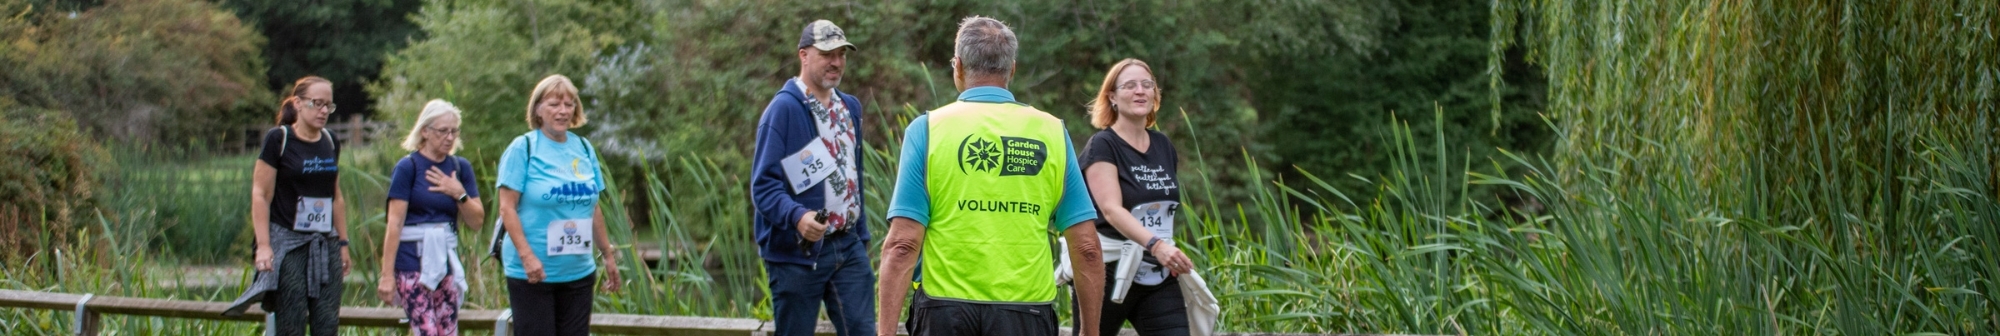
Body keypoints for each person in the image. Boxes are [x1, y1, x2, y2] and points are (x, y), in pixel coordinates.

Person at [876, 16, 1106, 336]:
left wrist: (885, 332)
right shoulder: (1051, 131)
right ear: (1012, 69)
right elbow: (1087, 249)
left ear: (957, 67)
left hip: (945, 311)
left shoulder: (927, 130)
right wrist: (1090, 332)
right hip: (1026, 311)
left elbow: (902, 244)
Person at [750, 19, 875, 336]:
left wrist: (861, 237)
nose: (836, 62)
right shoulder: (783, 110)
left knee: (862, 330)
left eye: (842, 54)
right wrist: (797, 216)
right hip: (796, 252)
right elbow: (763, 187)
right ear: (803, 55)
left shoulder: (850, 107)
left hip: (847, 247)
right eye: (827, 54)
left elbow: (853, 177)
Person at [496, 74, 623, 335]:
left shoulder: (584, 148)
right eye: (554, 104)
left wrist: (608, 255)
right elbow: (506, 208)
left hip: (578, 271)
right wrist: (528, 257)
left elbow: (593, 206)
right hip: (533, 273)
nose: (563, 111)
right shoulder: (524, 148)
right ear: (538, 109)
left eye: (569, 104)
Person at [225, 76, 350, 336]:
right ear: (298, 103)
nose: (324, 111)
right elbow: (261, 194)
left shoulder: (330, 141)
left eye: (329, 105)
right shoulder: (278, 139)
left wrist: (343, 244)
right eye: (317, 103)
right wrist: (263, 246)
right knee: (291, 325)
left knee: (327, 325)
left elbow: (336, 196)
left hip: (325, 243)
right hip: (289, 244)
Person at [1079, 59, 1196, 336]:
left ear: (1155, 94)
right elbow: (1111, 210)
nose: (1140, 91)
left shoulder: (1163, 145)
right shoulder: (1103, 145)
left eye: (1147, 85)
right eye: (1130, 86)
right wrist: (1156, 245)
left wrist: (1165, 250)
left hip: (1157, 273)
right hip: (1106, 272)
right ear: (1112, 97)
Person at [376, 99, 485, 336]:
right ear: (424, 131)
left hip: (446, 261)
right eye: (443, 131)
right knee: (426, 331)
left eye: (454, 131)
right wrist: (386, 276)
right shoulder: (408, 167)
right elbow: (394, 224)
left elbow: (477, 222)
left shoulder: (460, 167)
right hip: (411, 262)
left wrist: (459, 194)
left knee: (447, 331)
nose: (449, 137)